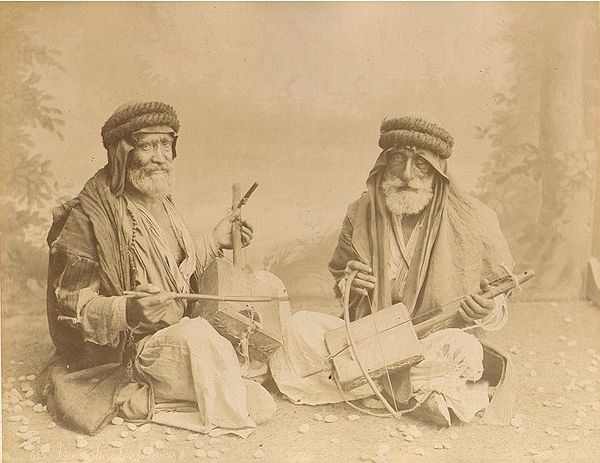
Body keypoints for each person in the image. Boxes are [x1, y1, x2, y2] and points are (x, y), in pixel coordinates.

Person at [40, 101, 275, 437]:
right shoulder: (90, 217)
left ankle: (215, 375)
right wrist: (130, 310)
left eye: (166, 144)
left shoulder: (161, 201)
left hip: (181, 330)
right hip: (138, 353)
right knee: (215, 355)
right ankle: (144, 394)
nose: (161, 157)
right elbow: (70, 308)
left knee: (266, 290)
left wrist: (215, 240)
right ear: (122, 154)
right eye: (148, 145)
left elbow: (178, 276)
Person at [270, 116, 515, 426]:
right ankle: (417, 395)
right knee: (299, 328)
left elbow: (500, 298)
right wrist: (349, 284)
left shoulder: (474, 219)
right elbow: (341, 280)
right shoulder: (360, 212)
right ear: (384, 164)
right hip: (368, 340)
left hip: (431, 342)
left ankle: (366, 387)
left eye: (420, 164)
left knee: (463, 351)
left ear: (438, 172)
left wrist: (488, 310)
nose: (407, 175)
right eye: (399, 159)